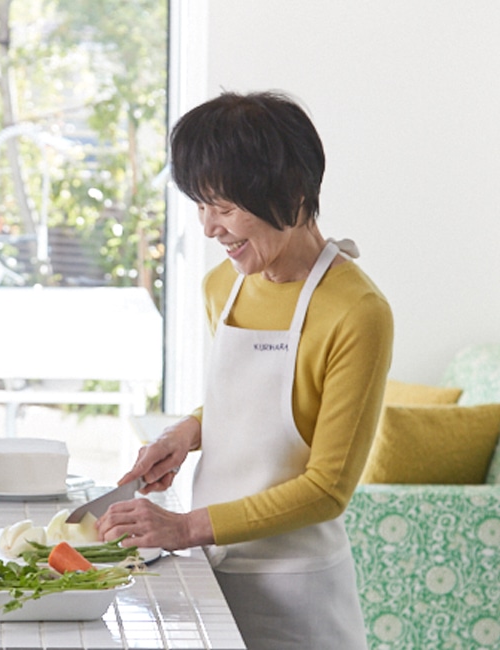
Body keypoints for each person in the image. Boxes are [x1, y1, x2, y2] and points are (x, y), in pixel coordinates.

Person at [96, 91, 393, 649]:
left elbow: (328, 489)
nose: (210, 228)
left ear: (293, 194)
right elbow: (262, 406)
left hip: (299, 595)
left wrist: (184, 527)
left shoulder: (357, 311)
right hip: (213, 569)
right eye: (200, 205)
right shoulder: (222, 288)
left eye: (225, 207)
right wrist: (187, 432)